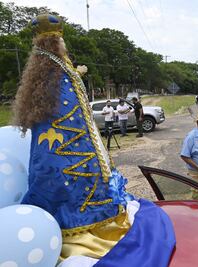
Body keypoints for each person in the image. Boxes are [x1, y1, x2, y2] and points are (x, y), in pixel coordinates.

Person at [12, 14, 175, 265]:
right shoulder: (60, 70)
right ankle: (86, 224)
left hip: (49, 153)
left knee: (50, 178)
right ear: (58, 41)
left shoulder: (43, 72)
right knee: (76, 183)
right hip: (73, 151)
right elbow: (76, 119)